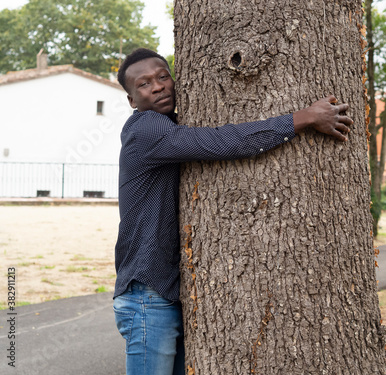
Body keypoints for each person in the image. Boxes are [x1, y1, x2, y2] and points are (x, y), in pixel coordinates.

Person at [113, 47, 353, 375]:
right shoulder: (147, 128)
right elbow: (218, 142)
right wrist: (304, 118)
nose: (157, 87)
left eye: (163, 77)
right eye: (144, 84)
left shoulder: (168, 128)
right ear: (131, 100)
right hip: (147, 296)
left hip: (166, 294)